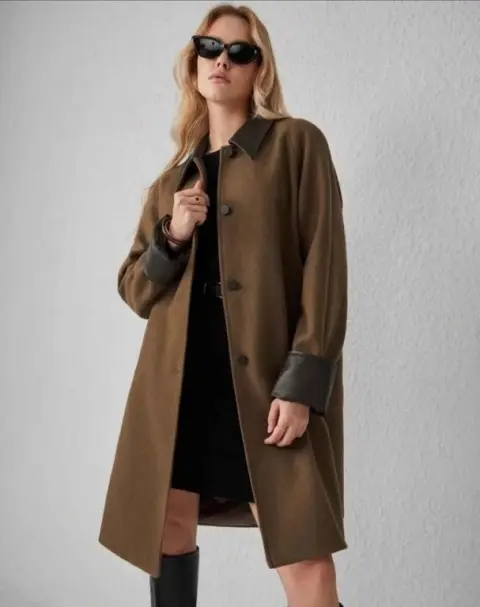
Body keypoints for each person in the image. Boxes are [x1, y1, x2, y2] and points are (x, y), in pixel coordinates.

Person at [98, 4, 348, 607]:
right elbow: (134, 290)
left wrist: (302, 384)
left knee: (305, 555)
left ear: (259, 68)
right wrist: (173, 234)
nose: (222, 60)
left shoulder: (296, 145)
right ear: (194, 63)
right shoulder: (171, 183)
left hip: (264, 386)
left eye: (240, 51)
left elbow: (326, 268)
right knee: (168, 527)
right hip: (180, 387)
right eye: (209, 47)